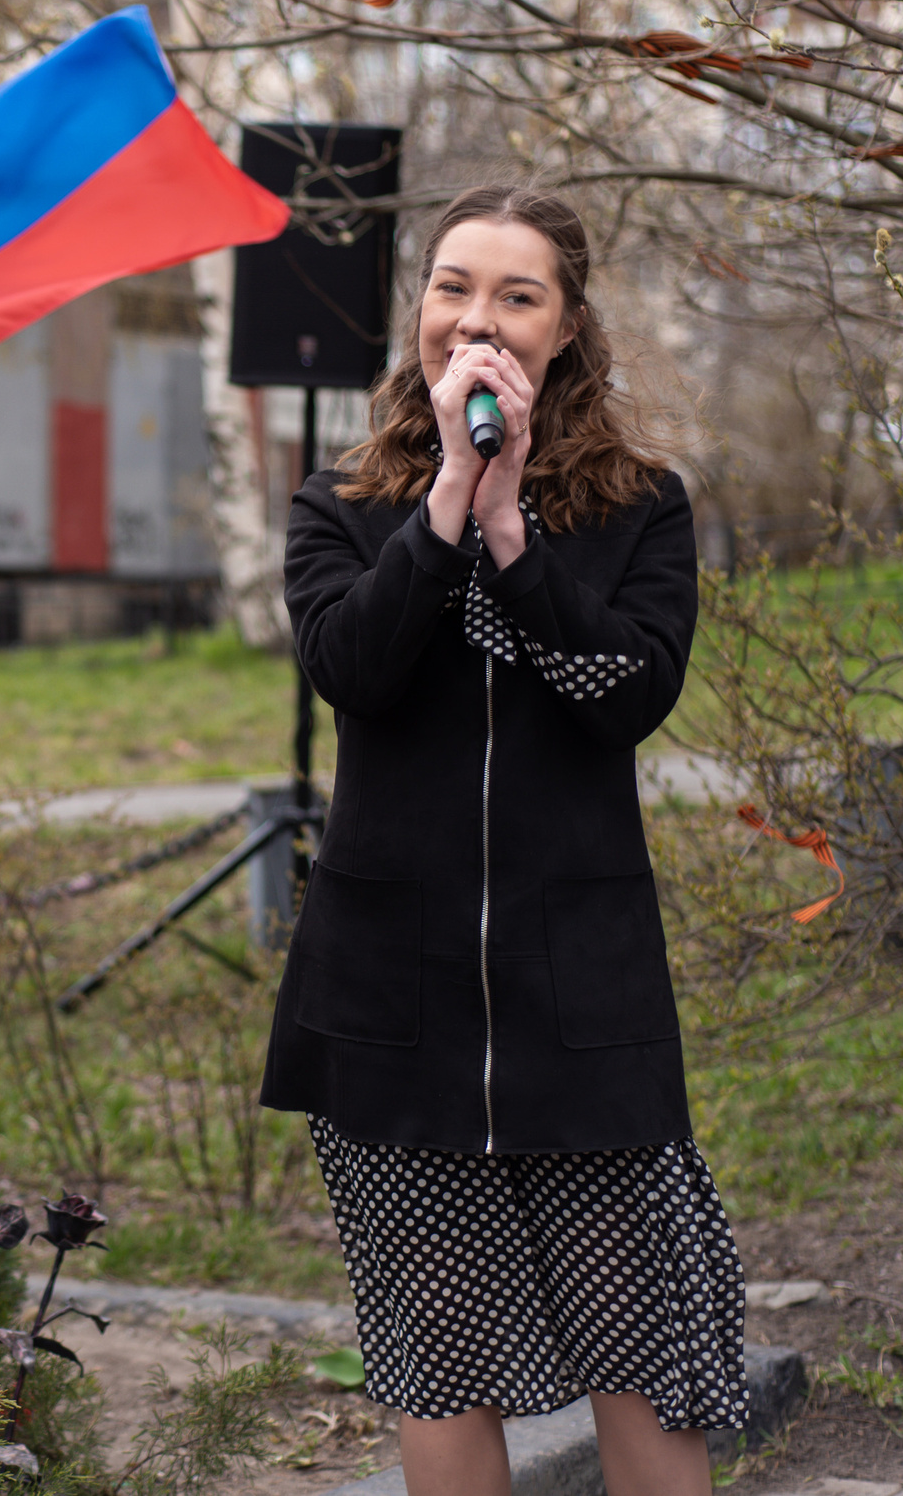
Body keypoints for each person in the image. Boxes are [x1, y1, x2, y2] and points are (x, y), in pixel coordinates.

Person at [260, 185, 744, 1496]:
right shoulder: (341, 505)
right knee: (443, 1360)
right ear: (420, 310)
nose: (477, 318)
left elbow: (625, 695)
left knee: (645, 1348)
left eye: (517, 295)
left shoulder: (641, 508)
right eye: (454, 287)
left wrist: (517, 535)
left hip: (582, 999)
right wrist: (446, 507)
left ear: (566, 328)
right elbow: (353, 670)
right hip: (391, 1005)